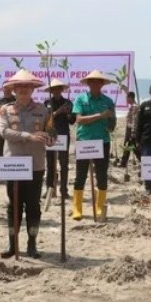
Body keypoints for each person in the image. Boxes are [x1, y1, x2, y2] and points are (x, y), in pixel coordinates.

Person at [0, 69, 53, 258]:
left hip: (36, 165)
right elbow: (4, 132)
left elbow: (53, 135)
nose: (23, 90)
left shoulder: (43, 110)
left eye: (27, 87)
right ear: (13, 89)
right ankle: (12, 245)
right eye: (19, 87)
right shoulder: (5, 110)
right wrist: (27, 136)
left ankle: (32, 244)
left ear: (32, 89)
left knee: (33, 205)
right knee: (13, 205)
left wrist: (49, 137)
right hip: (13, 164)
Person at [71, 69, 117, 221]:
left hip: (102, 141)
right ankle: (77, 209)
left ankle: (99, 208)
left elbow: (112, 124)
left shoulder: (108, 101)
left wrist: (111, 121)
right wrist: (100, 116)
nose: (96, 84)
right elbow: (79, 120)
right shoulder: (80, 99)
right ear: (88, 83)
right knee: (80, 176)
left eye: (99, 81)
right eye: (93, 81)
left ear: (102, 84)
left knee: (102, 176)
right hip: (84, 141)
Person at [43, 78, 76, 204]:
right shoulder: (47, 103)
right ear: (51, 91)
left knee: (64, 164)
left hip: (63, 135)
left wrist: (67, 114)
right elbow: (46, 118)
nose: (56, 91)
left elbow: (72, 121)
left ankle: (64, 190)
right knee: (50, 164)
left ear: (62, 90)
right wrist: (58, 112)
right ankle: (49, 188)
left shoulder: (68, 103)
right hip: (51, 135)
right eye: (54, 89)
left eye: (58, 88)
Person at [118, 91, 140, 168]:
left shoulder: (135, 107)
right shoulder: (133, 106)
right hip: (129, 129)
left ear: (130, 98)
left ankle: (143, 161)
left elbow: (135, 120)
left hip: (131, 129)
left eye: (127, 98)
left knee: (134, 147)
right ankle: (123, 163)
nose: (126, 100)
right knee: (127, 146)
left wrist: (133, 132)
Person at [0, 85, 16, 156]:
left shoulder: (16, 99)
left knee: (13, 149)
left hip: (14, 129)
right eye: (5, 88)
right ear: (2, 89)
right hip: (2, 128)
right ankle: (1, 166)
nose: (7, 89)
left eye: (9, 87)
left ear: (12, 89)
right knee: (1, 149)